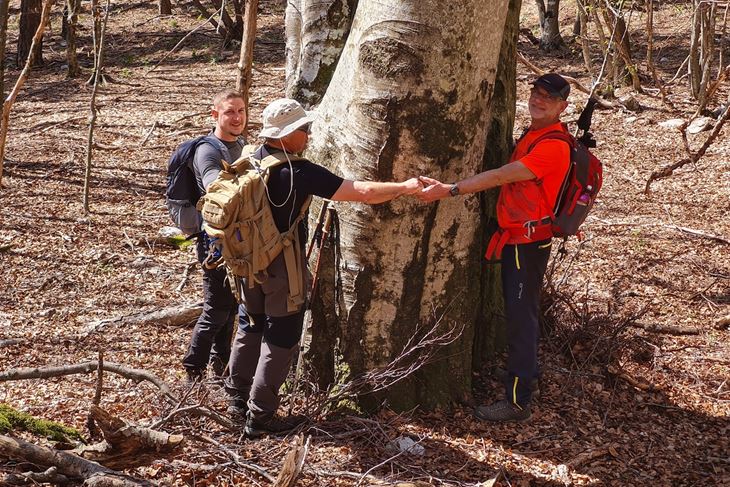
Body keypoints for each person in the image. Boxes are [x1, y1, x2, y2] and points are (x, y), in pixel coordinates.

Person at [223, 98, 422, 437]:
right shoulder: (298, 171)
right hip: (281, 269)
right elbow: (362, 191)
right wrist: (404, 187)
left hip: (244, 264)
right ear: (286, 135)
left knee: (249, 325)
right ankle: (261, 418)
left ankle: (235, 401)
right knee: (281, 339)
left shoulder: (248, 160)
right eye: (304, 129)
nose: (309, 135)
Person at [417, 73, 572, 422]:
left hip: (527, 243)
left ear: (562, 107)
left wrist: (452, 188)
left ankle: (518, 401)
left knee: (521, 318)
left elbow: (503, 175)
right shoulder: (535, 133)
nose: (538, 99)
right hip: (516, 237)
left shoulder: (553, 147)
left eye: (548, 97)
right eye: (535, 92)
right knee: (521, 314)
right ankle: (526, 375)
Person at [182, 90, 247, 381]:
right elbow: (213, 186)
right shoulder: (208, 150)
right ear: (215, 116)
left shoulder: (241, 145)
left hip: (238, 237)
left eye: (241, 111)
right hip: (214, 242)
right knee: (216, 307)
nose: (237, 118)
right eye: (229, 112)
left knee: (231, 306)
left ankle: (219, 366)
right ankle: (192, 369)